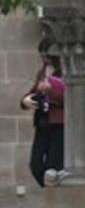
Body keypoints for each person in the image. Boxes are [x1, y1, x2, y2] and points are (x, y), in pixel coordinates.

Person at [20, 38, 64, 188]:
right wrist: (25, 100)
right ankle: (50, 194)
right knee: (36, 165)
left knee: (53, 167)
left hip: (59, 124)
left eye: (47, 56)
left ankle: (55, 197)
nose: (45, 60)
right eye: (42, 56)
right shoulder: (42, 72)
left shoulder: (67, 70)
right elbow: (34, 92)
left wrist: (50, 90)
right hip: (42, 122)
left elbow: (70, 98)